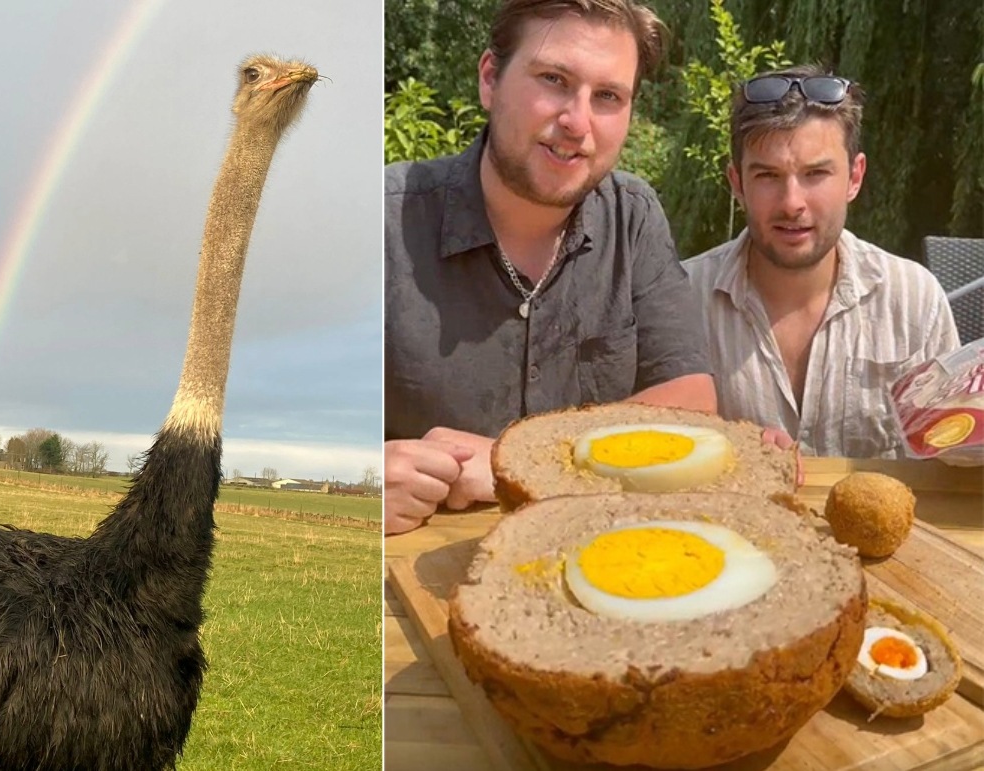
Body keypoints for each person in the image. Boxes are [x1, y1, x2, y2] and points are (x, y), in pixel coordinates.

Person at [384, 0, 717, 535]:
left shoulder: (633, 216)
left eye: (607, 96)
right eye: (554, 80)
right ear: (490, 79)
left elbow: (691, 403)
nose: (577, 122)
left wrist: (517, 461)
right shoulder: (382, 222)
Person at [684, 65, 960, 460]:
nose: (792, 202)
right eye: (767, 175)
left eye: (815, 173)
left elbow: (949, 460)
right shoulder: (681, 301)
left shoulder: (914, 301)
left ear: (854, 177)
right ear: (737, 184)